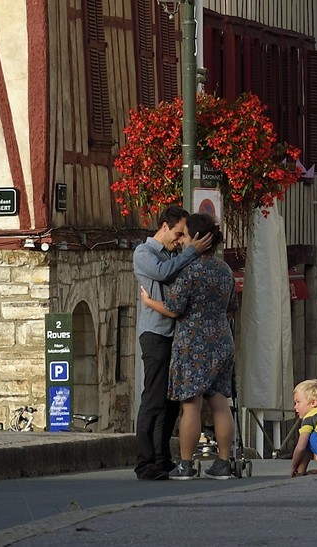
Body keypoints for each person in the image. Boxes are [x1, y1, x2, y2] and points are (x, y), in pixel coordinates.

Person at [139, 210, 237, 477]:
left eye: (185, 235)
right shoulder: (224, 269)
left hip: (193, 342)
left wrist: (148, 303)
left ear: (195, 238)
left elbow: (174, 308)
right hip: (221, 339)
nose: (181, 240)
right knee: (219, 402)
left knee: (191, 404)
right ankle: (224, 462)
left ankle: (185, 463)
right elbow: (231, 306)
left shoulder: (189, 271)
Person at [132, 201, 194, 481]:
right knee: (153, 399)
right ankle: (145, 463)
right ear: (164, 226)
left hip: (174, 334)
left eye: (184, 237)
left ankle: (161, 458)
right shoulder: (144, 252)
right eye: (178, 234)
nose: (180, 241)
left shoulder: (173, 255)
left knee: (170, 402)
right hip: (155, 333)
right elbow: (163, 274)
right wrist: (192, 252)